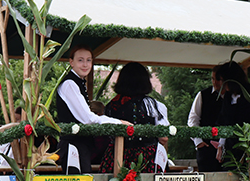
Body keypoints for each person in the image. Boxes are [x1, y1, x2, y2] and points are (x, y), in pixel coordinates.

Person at [56, 45, 128, 174]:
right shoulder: (70, 84)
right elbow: (87, 119)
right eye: (80, 60)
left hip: (79, 146)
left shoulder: (78, 82)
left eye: (89, 60)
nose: (85, 64)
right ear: (71, 62)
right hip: (73, 146)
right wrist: (118, 122)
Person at [98, 62, 168, 174]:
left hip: (116, 157)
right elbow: (163, 138)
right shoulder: (152, 105)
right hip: (146, 159)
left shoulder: (111, 105)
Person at [215, 61, 250, 181]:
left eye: (221, 80)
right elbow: (224, 122)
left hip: (248, 148)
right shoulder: (227, 97)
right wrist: (221, 145)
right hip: (231, 149)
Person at [188, 64, 224, 181]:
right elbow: (193, 120)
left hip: (227, 151)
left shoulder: (232, 97)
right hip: (206, 148)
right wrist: (198, 142)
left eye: (218, 79)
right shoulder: (203, 95)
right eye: (213, 79)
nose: (215, 82)